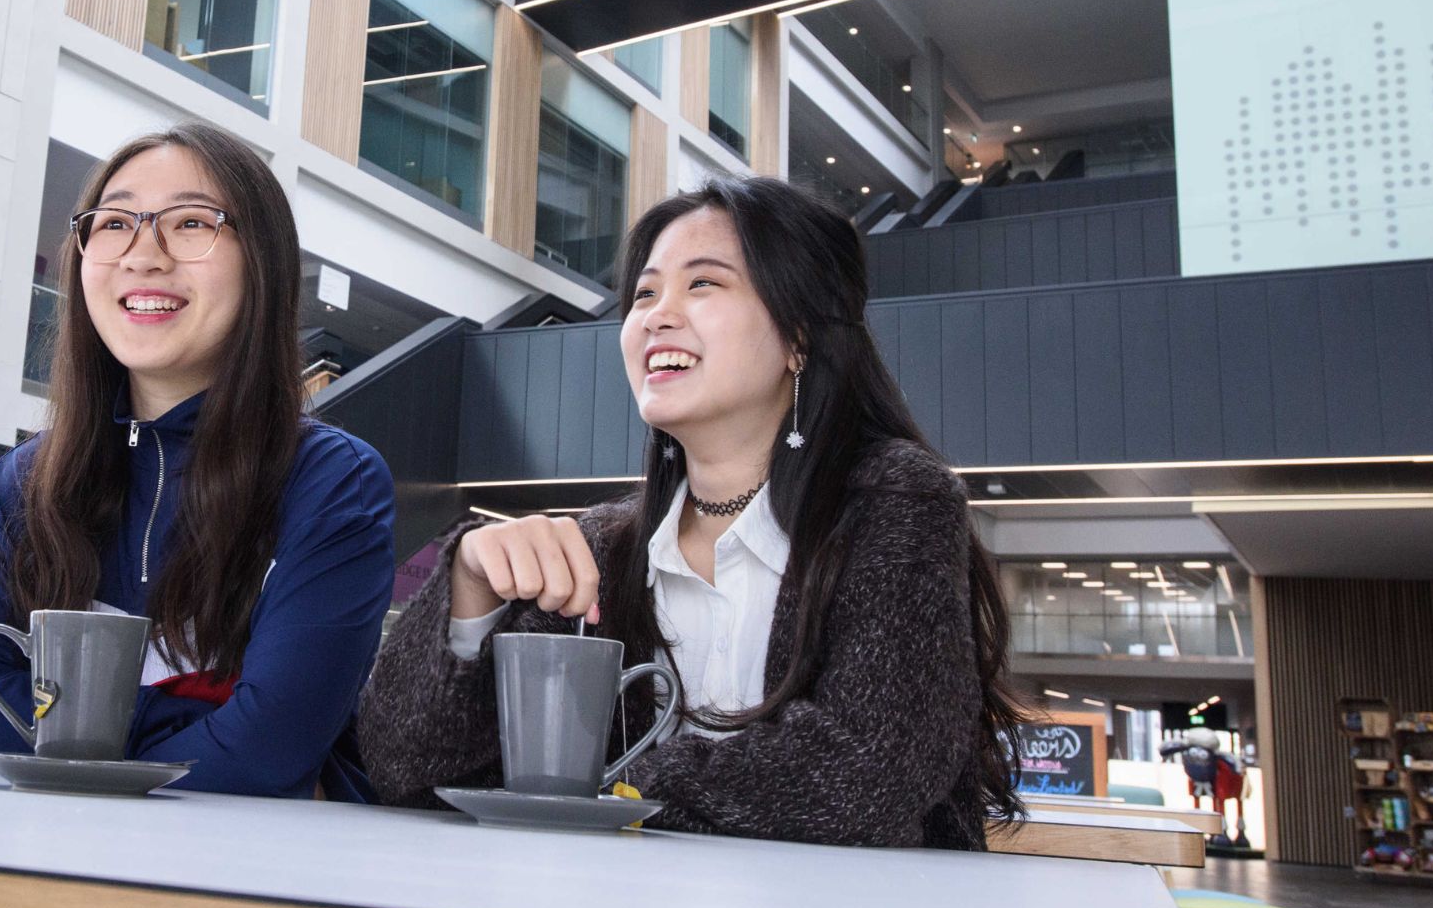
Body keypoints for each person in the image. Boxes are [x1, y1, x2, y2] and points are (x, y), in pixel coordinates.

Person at [359, 176, 1024, 846]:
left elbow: (867, 773)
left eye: (702, 284)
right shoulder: (600, 550)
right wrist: (469, 589)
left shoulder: (895, 500)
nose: (656, 316)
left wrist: (617, 792)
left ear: (799, 336)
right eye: (645, 294)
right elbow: (406, 771)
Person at [0, 126, 396, 800]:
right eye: (115, 223)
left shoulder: (331, 482)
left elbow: (265, 755)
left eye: (191, 222)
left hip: (243, 866)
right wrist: (201, 716)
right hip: (42, 859)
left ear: (262, 262)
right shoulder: (25, 483)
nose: (143, 256)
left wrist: (68, 730)